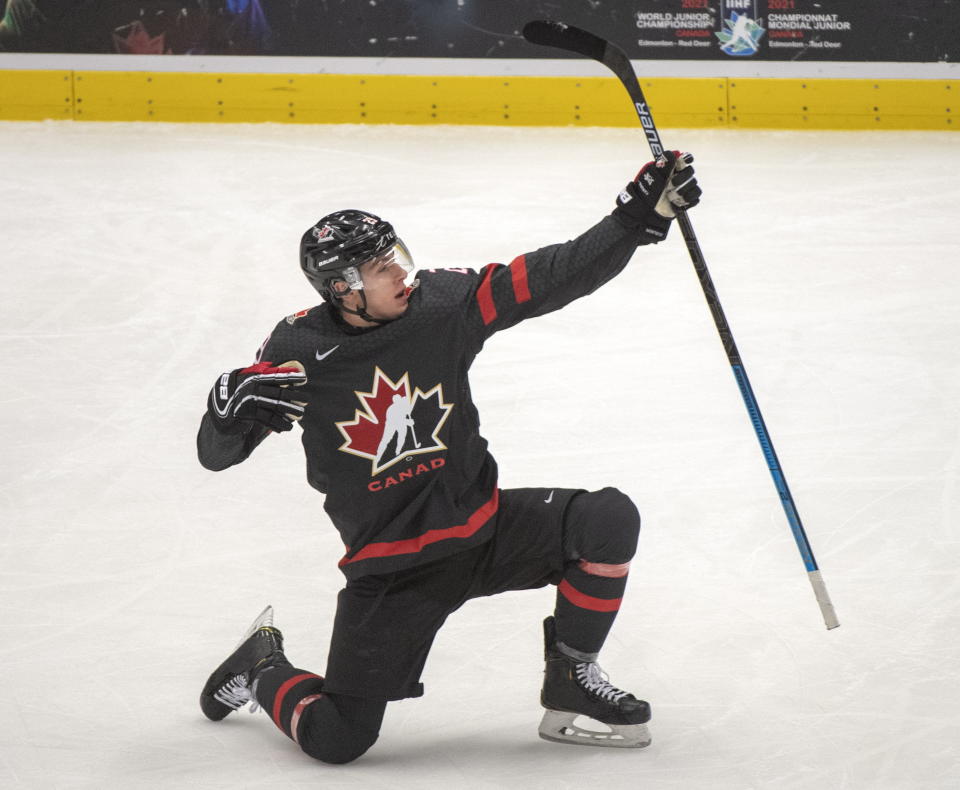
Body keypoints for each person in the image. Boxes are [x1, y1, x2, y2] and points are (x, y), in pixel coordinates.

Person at [197, 150, 701, 763]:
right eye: (384, 269)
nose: (403, 274)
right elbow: (219, 456)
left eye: (399, 257)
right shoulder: (299, 350)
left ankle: (570, 676)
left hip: (484, 530)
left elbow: (548, 275)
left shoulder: (442, 306)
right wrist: (223, 417)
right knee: (338, 738)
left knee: (608, 518)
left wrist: (631, 221)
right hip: (393, 572)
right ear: (342, 288)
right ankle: (261, 666)